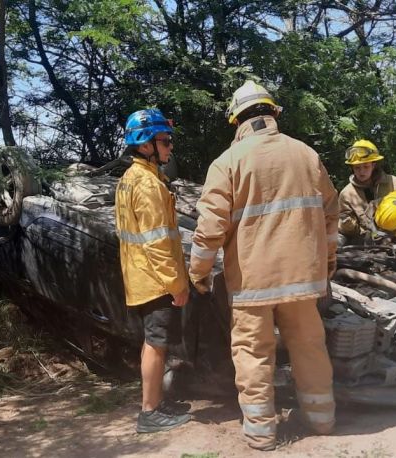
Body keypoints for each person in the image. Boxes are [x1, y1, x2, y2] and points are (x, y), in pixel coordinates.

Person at [188, 81, 338, 451]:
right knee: (309, 348)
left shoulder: (228, 162)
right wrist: (328, 261)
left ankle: (261, 433)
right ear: (274, 113)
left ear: (236, 119)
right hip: (304, 279)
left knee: (253, 354)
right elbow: (330, 213)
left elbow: (210, 229)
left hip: (253, 283)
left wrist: (199, 272)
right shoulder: (306, 154)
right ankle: (322, 420)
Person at [115, 108, 191, 433]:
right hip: (155, 279)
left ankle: (157, 402)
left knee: (155, 342)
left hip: (143, 277)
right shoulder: (146, 185)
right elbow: (158, 242)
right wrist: (177, 284)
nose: (169, 146)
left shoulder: (133, 179)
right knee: (156, 343)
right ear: (146, 144)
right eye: (165, 140)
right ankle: (149, 412)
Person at [338, 139, 396, 245]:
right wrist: (348, 224)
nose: (361, 172)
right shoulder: (347, 194)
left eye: (366, 166)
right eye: (357, 167)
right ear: (352, 167)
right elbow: (347, 230)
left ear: (374, 165)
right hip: (365, 244)